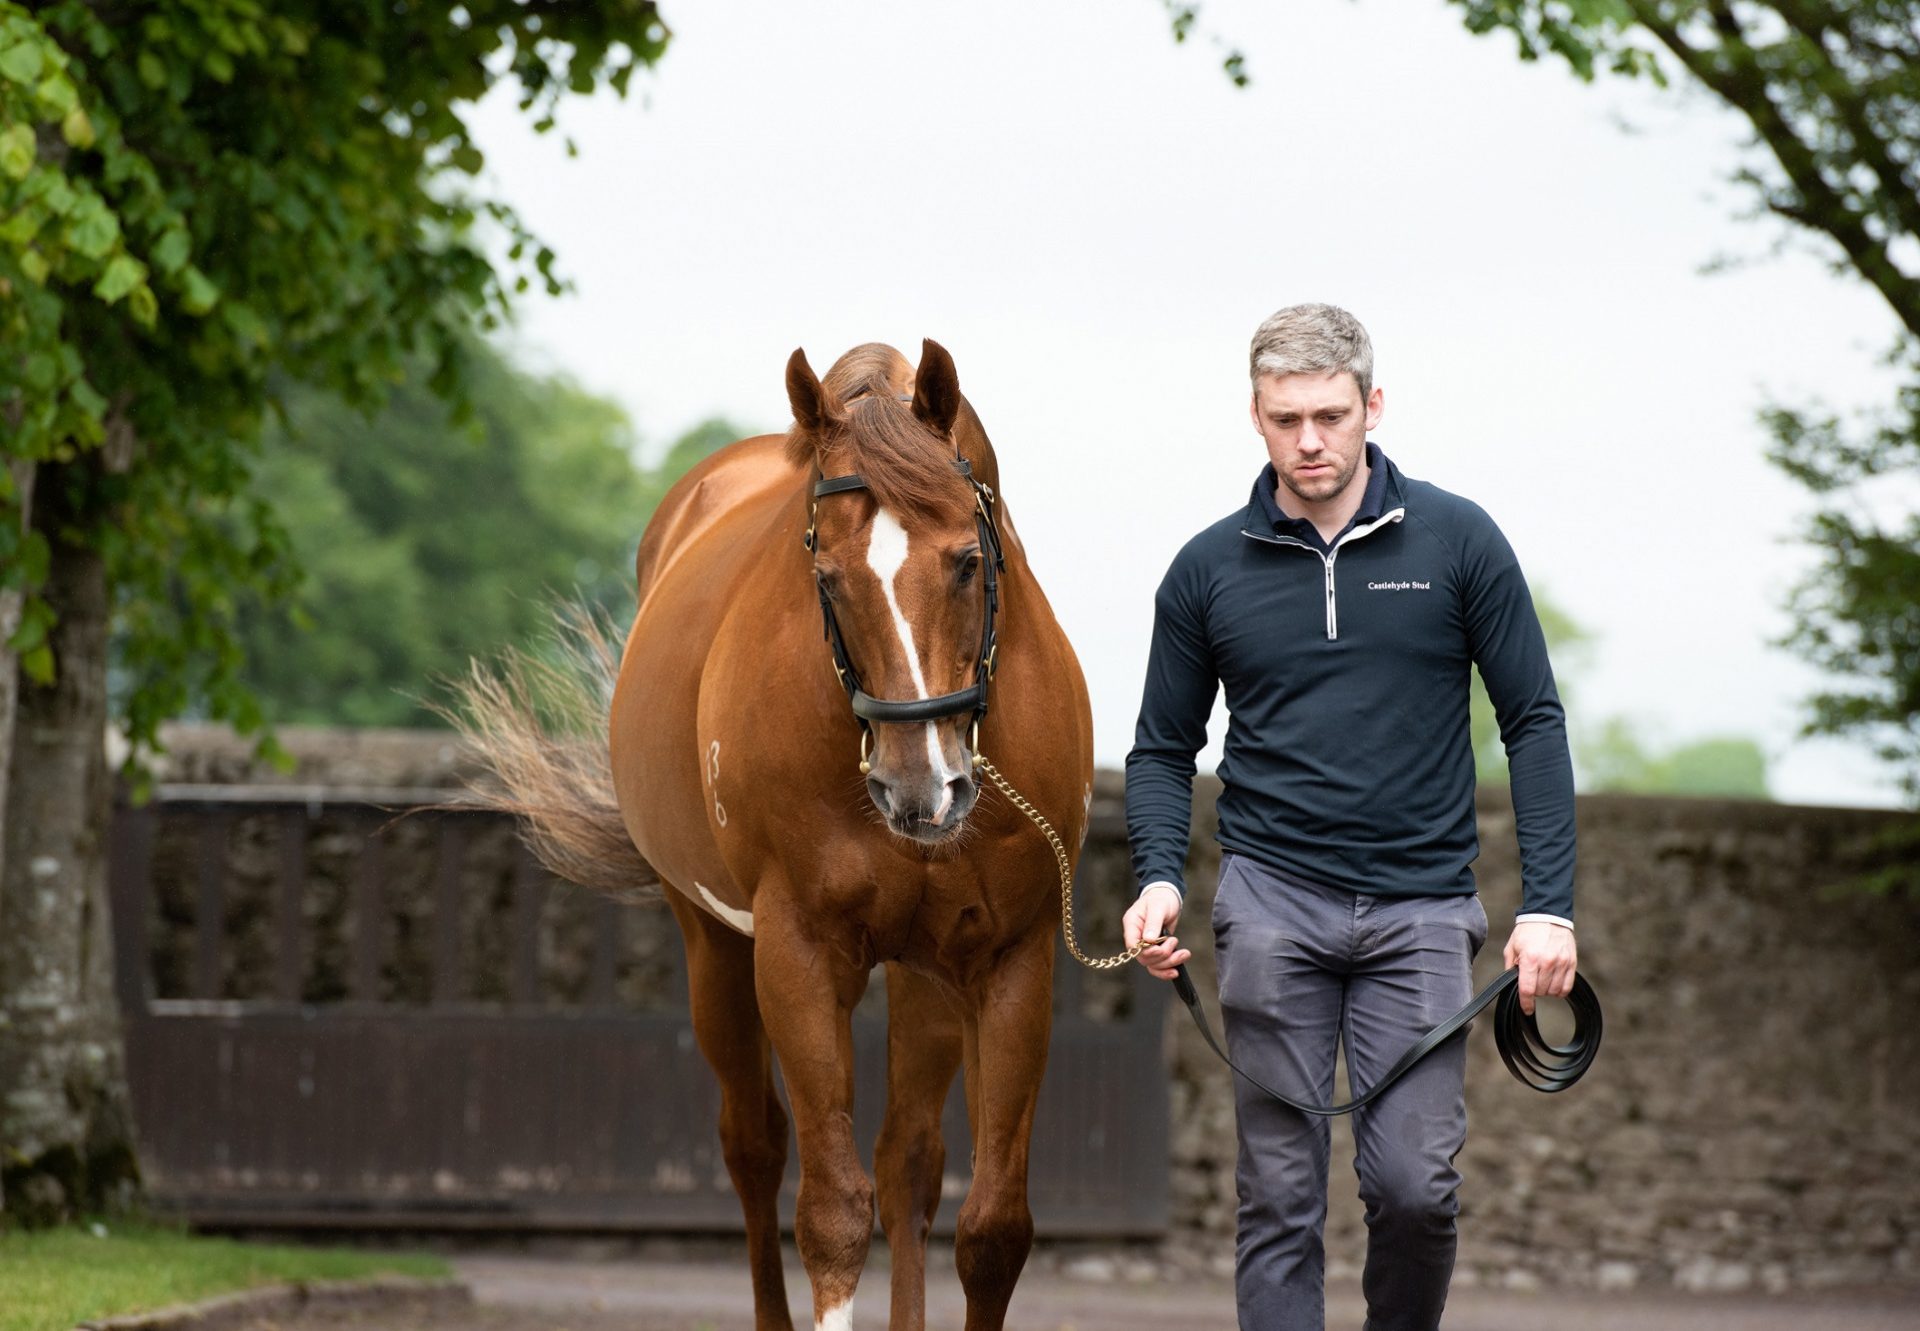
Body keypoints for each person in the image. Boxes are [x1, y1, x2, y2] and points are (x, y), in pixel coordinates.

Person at [1120, 303, 1579, 1331]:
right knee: (1278, 1195)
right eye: (1286, 418)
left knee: (1416, 1189)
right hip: (1270, 905)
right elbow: (1161, 747)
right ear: (1255, 415)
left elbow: (1534, 722)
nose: (1310, 440)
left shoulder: (1459, 541)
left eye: (1330, 414)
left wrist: (1549, 905)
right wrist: (1157, 873)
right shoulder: (1207, 569)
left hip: (1422, 910)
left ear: (1373, 405)